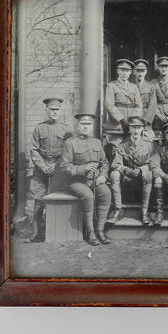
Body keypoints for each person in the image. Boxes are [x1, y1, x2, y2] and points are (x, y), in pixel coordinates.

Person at [26, 97, 73, 243]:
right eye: (52, 110)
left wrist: (56, 165)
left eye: (57, 110)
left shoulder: (66, 130)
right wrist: (43, 166)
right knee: (38, 199)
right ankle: (36, 233)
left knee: (57, 198)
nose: (54, 112)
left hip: (58, 169)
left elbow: (68, 152)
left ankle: (56, 231)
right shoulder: (39, 128)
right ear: (46, 110)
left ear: (60, 111)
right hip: (41, 169)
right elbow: (34, 149)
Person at [60, 114, 112, 246]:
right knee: (88, 196)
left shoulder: (97, 142)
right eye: (83, 124)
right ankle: (90, 232)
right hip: (76, 181)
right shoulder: (70, 143)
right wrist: (84, 168)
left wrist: (103, 176)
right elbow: (65, 167)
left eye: (88, 124)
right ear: (78, 126)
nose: (85, 127)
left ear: (92, 126)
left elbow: (104, 163)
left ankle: (100, 230)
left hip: (95, 180)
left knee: (106, 193)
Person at [110, 116, 154, 225]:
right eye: (133, 127)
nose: (136, 131)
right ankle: (118, 210)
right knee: (114, 174)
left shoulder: (149, 145)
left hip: (142, 179)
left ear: (142, 129)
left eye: (138, 128)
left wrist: (141, 169)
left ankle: (144, 212)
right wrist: (124, 169)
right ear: (130, 129)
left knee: (148, 174)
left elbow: (151, 163)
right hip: (127, 180)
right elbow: (115, 164)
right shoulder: (122, 145)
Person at [104, 59, 143, 159]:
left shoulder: (134, 87)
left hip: (131, 126)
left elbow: (138, 106)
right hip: (116, 126)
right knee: (115, 151)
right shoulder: (112, 86)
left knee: (130, 152)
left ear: (130, 72)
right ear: (118, 71)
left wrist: (133, 121)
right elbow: (109, 105)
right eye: (122, 70)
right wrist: (122, 120)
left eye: (127, 70)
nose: (125, 73)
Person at [133, 59, 158, 142]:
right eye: (138, 71)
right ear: (134, 72)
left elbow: (153, 105)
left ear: (146, 72)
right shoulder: (130, 85)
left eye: (142, 71)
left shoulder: (150, 86)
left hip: (146, 119)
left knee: (147, 140)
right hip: (133, 117)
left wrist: (146, 120)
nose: (140, 74)